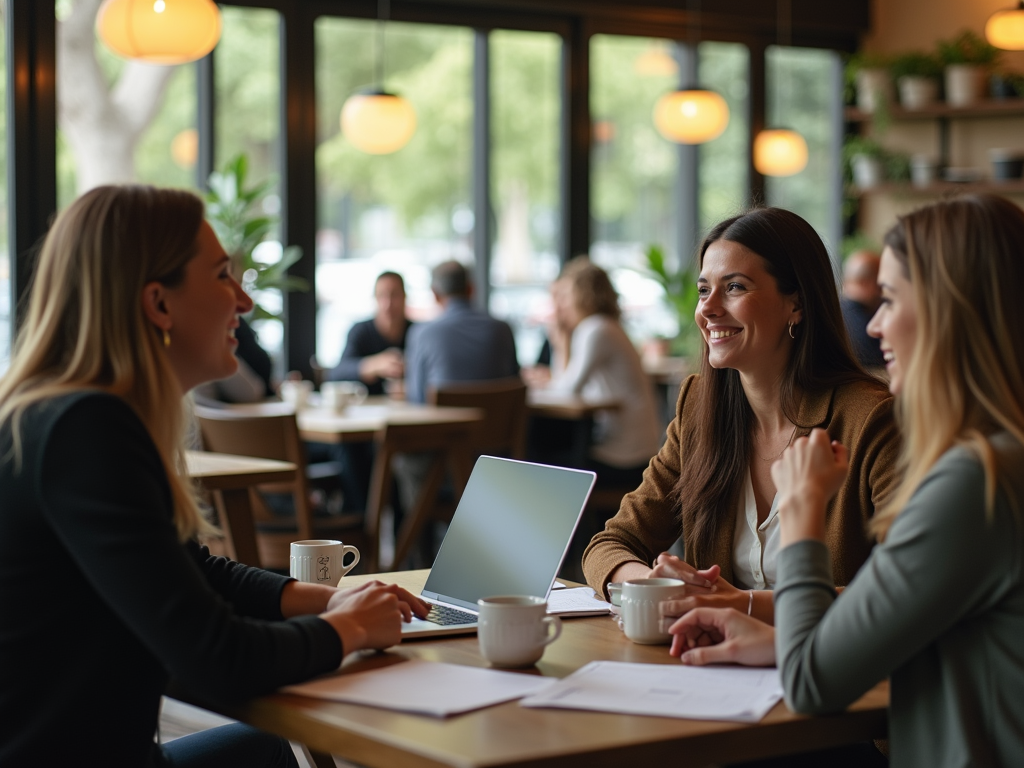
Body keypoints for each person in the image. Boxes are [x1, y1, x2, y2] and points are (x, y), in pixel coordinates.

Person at [0, 185, 428, 768]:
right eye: (223, 275)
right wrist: (348, 629)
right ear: (159, 304)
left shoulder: (58, 414)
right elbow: (217, 660)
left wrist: (327, 600)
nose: (244, 302)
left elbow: (189, 571)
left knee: (263, 749)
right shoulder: (87, 430)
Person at [668, 194, 1024, 766]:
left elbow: (814, 681)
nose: (876, 324)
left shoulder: (972, 483)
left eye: (891, 299)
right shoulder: (999, 462)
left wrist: (805, 511)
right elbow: (914, 624)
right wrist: (774, 637)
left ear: (952, 311)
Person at [582, 207, 899, 623]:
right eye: (702, 290)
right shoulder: (699, 408)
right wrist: (652, 586)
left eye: (734, 287)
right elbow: (611, 543)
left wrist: (738, 605)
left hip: (834, 675)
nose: (708, 309)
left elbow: (903, 590)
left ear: (796, 304)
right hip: (716, 673)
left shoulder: (871, 419)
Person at [542, 257, 662, 487]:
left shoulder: (595, 329)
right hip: (636, 450)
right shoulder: (606, 326)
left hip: (624, 457)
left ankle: (580, 523)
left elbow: (565, 390)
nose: (561, 305)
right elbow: (567, 384)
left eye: (566, 296)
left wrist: (559, 342)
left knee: (541, 459)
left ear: (582, 295)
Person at [403, 260, 519, 404]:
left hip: (442, 425)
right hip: (497, 425)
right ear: (471, 289)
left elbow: (417, 399)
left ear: (435, 294)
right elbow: (516, 387)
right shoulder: (503, 330)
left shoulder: (422, 334)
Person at [328, 271, 412, 397]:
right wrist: (373, 365)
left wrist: (412, 387)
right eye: (382, 295)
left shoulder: (418, 333)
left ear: (404, 297)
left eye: (394, 295)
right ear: (375, 298)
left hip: (411, 411)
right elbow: (336, 374)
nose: (388, 304)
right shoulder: (360, 331)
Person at [841, 250, 885, 369]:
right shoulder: (869, 329)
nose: (882, 291)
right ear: (867, 283)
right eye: (881, 283)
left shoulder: (833, 314)